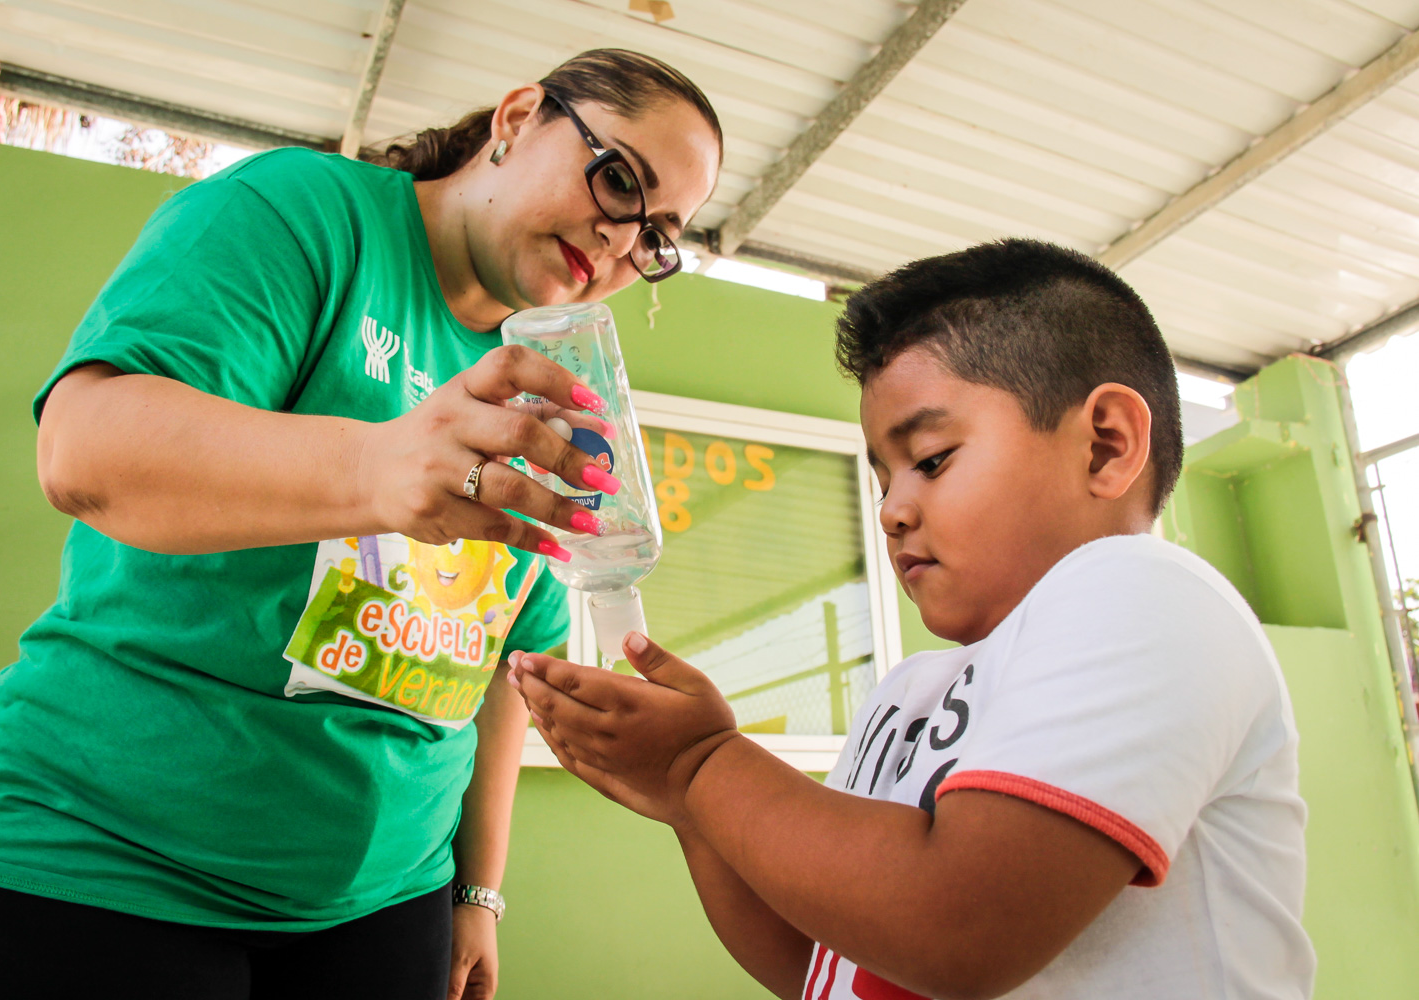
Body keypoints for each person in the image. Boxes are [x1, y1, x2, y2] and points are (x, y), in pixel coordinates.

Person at [0, 49, 722, 1000]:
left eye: (658, 238)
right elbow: (83, 453)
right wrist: (377, 466)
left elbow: (510, 653)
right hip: (109, 869)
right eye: (619, 178)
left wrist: (478, 889)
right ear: (516, 118)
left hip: (385, 910)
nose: (624, 237)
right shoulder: (305, 215)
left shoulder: (544, 381)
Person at [511, 239, 1316, 1000]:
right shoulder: (910, 692)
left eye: (930, 460)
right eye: (883, 477)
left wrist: (702, 765)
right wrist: (690, 808)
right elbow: (821, 960)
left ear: (1105, 445)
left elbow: (960, 924)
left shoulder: (1148, 594)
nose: (893, 508)